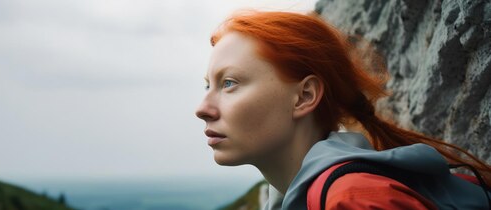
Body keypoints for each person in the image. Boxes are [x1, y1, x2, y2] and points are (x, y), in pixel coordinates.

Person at [195, 11, 491, 210]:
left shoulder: (353, 199)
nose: (202, 108)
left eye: (229, 83)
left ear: (304, 97)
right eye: (208, 85)